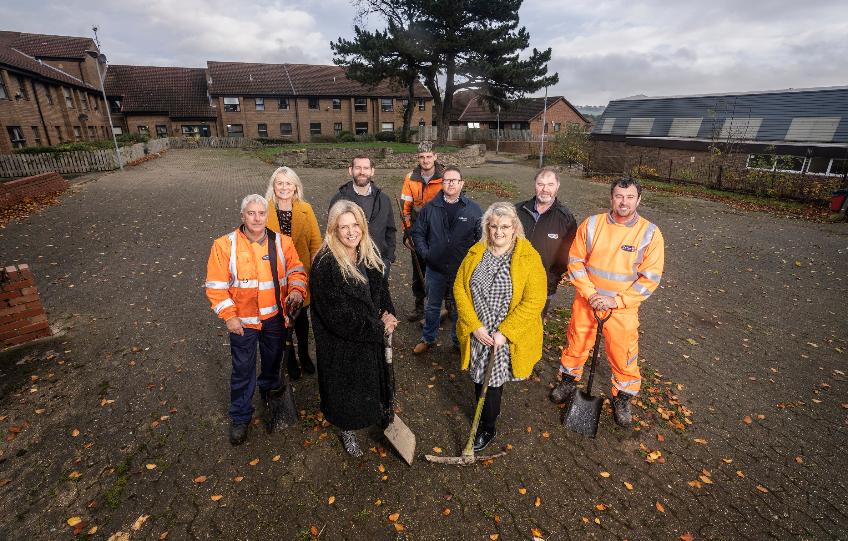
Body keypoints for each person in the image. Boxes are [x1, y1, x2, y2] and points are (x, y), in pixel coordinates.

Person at [550, 178, 665, 428]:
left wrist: (616, 301)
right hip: (587, 302)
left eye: (630, 197)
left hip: (621, 309)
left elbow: (650, 278)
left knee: (623, 354)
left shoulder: (650, 233)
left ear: (638, 200)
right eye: (619, 196)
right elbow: (575, 261)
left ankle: (622, 398)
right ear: (611, 198)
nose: (624, 202)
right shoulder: (592, 224)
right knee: (576, 343)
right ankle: (568, 381)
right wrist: (591, 294)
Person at [205, 194, 307, 445]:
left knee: (273, 364)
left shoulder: (282, 243)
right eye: (251, 213)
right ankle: (240, 417)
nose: (257, 218)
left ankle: (269, 396)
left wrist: (296, 289)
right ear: (243, 216)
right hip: (242, 323)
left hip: (274, 319)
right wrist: (229, 317)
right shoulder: (224, 245)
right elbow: (216, 287)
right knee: (242, 371)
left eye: (261, 213)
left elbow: (296, 269)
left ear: (266, 216)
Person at [453, 202, 547, 451]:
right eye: (493, 226)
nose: (499, 232)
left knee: (492, 383)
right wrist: (473, 325)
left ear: (514, 227)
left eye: (505, 226)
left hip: (502, 335)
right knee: (477, 376)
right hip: (479, 331)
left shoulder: (528, 257)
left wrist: (506, 332)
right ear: (487, 227)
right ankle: (482, 416)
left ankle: (487, 427)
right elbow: (460, 288)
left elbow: (535, 300)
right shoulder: (477, 252)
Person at [310, 200, 400, 457]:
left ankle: (377, 412)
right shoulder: (325, 265)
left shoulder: (367, 253)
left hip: (369, 336)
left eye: (355, 225)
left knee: (371, 383)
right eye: (343, 227)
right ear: (333, 231)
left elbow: (381, 290)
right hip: (342, 345)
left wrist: (388, 313)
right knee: (346, 392)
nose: (351, 232)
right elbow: (338, 318)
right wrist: (378, 328)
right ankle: (346, 429)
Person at [411, 166, 482, 354]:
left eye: (454, 180)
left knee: (460, 309)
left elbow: (481, 239)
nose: (450, 183)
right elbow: (417, 232)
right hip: (435, 269)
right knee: (432, 306)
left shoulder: (473, 210)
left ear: (461, 183)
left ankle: (458, 342)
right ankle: (428, 338)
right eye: (447, 180)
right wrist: (427, 254)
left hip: (461, 271)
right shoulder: (430, 208)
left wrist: (472, 262)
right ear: (442, 184)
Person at [265, 166, 322, 380]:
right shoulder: (265, 209)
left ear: (296, 186)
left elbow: (316, 242)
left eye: (288, 183)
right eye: (280, 183)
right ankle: (288, 359)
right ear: (273, 186)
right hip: (274, 275)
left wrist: (315, 270)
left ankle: (304, 354)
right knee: (281, 319)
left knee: (301, 320)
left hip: (302, 272)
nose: (284, 187)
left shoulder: (306, 209)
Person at [515, 166, 577, 318]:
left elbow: (567, 257)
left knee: (533, 328)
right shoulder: (517, 211)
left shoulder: (566, 219)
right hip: (514, 282)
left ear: (557, 186)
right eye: (540, 184)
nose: (545, 189)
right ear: (534, 185)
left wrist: (551, 281)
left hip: (543, 286)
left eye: (550, 185)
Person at [400, 140, 446, 321]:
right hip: (418, 233)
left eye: (429, 156)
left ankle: (446, 305)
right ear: (417, 158)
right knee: (418, 270)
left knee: (442, 269)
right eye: (422, 157)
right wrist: (407, 234)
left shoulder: (445, 177)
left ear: (435, 156)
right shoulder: (410, 178)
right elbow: (405, 208)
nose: (425, 160)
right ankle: (419, 307)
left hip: (440, 233)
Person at [329, 155, 396, 276]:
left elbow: (390, 230)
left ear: (372, 171)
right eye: (358, 168)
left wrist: (388, 259)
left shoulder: (384, 200)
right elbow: (332, 234)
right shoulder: (339, 200)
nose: (362, 172)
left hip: (379, 263)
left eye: (366, 168)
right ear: (351, 170)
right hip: (349, 265)